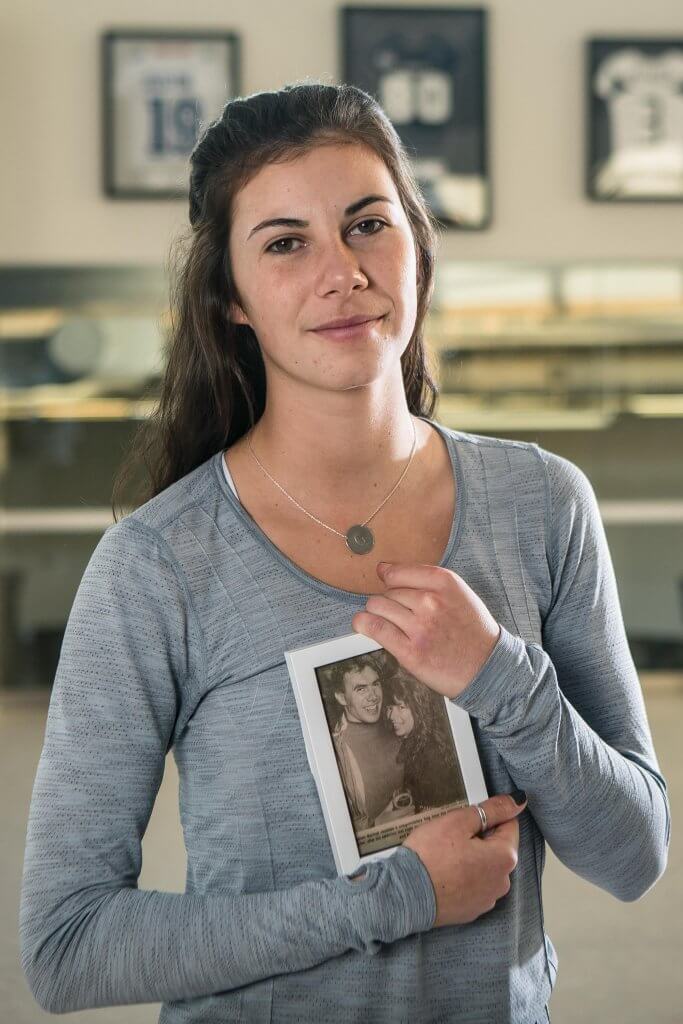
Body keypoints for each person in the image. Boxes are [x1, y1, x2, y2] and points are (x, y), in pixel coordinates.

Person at [19, 82, 669, 1024]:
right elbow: (67, 948)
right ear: (230, 298)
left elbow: (632, 857)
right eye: (285, 242)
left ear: (416, 245)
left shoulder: (540, 505)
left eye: (368, 224)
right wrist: (396, 897)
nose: (342, 270)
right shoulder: (157, 565)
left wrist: (497, 676)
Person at [330, 657, 404, 829]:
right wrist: (376, 825)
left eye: (376, 684)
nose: (373, 697)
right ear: (342, 698)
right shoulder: (335, 750)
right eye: (361, 689)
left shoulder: (397, 724)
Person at [385, 672, 467, 813]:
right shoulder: (417, 740)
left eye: (401, 707)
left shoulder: (432, 752)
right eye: (390, 708)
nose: (392, 716)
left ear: (418, 710)